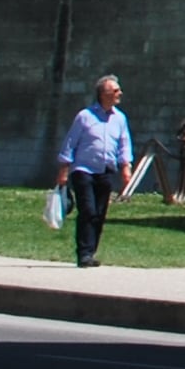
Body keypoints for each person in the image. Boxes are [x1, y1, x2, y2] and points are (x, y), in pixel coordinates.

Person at [54, 76, 147, 269]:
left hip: (106, 171)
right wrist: (64, 169)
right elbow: (70, 143)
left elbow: (124, 144)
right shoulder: (85, 116)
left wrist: (126, 168)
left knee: (99, 213)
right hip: (83, 170)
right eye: (115, 91)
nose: (120, 93)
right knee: (87, 210)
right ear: (103, 94)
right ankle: (84, 254)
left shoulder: (120, 118)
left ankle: (91, 251)